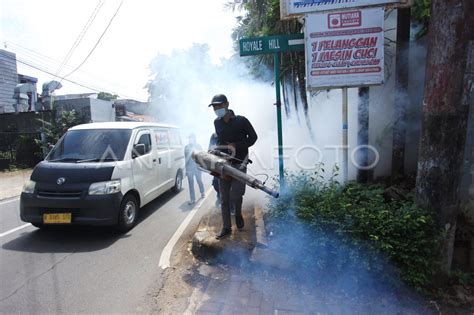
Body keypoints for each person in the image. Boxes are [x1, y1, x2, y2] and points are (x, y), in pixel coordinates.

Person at [208, 94, 258, 239]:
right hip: (223, 164)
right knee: (224, 197)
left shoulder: (242, 121)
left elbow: (253, 138)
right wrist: (215, 150)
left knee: (236, 194)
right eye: (214, 107)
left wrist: (237, 145)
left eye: (219, 106)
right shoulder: (216, 123)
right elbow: (220, 141)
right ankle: (226, 227)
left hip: (240, 162)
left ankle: (237, 213)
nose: (217, 109)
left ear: (227, 104)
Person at [184, 133, 205, 205]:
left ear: (194, 139)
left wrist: (201, 166)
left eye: (191, 138)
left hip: (197, 167)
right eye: (189, 138)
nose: (190, 139)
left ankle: (202, 192)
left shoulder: (198, 146)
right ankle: (192, 199)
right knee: (190, 183)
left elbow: (202, 156)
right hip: (189, 168)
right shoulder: (186, 147)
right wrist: (186, 169)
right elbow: (185, 158)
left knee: (199, 180)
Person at [208, 133, 221, 208]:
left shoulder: (229, 133)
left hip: (227, 163)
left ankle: (231, 205)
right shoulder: (214, 136)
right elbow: (209, 149)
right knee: (216, 184)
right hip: (216, 164)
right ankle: (219, 198)